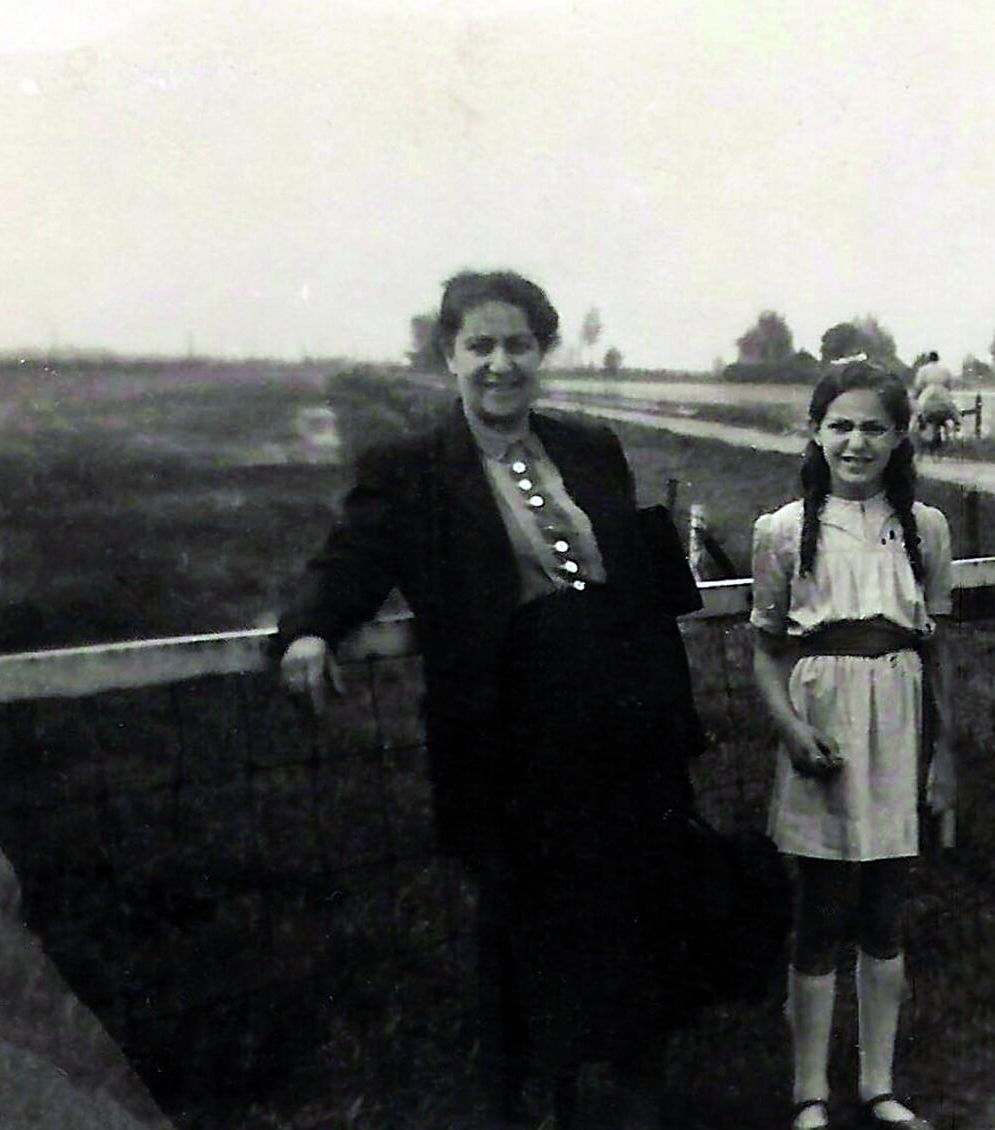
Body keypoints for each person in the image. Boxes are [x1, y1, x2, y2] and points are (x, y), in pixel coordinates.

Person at [274, 270, 707, 1130]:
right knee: (524, 930)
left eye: (519, 344)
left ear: (543, 353)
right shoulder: (410, 470)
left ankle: (635, 1098)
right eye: (481, 345)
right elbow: (349, 560)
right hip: (508, 742)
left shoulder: (590, 446)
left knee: (633, 911)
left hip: (621, 726)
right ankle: (531, 1105)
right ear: (449, 355)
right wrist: (311, 629)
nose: (501, 364)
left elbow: (633, 575)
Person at [749, 358, 955, 1130]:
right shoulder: (783, 529)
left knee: (885, 909)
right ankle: (809, 1090)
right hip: (822, 733)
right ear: (815, 431)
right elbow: (767, 649)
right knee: (822, 909)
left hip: (897, 731)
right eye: (841, 425)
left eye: (874, 427)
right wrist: (792, 730)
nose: (856, 442)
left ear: (901, 437)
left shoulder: (923, 528)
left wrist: (946, 756)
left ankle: (878, 1084)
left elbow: (938, 649)